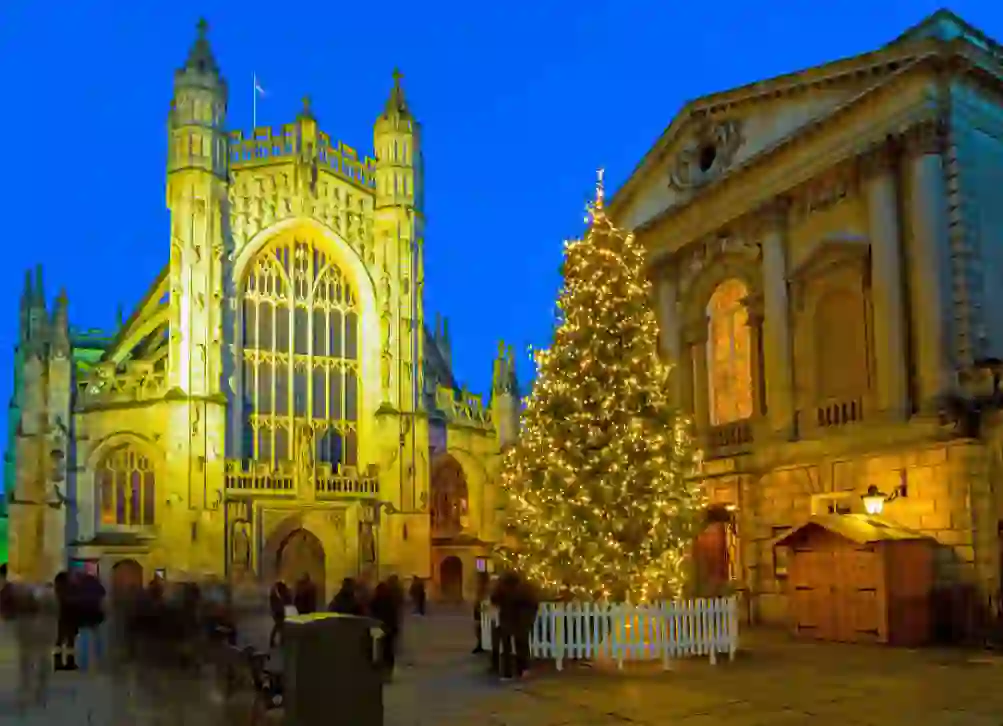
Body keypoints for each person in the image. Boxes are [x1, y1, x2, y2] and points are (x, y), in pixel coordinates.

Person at [368, 581, 401, 679]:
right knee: (382, 652)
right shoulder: (377, 602)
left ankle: (386, 673)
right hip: (381, 629)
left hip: (386, 629)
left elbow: (393, 616)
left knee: (386, 651)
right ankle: (384, 672)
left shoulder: (385, 601)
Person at [268, 581, 292, 649]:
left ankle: (279, 641)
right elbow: (283, 601)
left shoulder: (275, 592)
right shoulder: (276, 593)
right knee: (279, 626)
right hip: (278, 612)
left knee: (280, 626)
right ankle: (277, 641)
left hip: (278, 611)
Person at [472, 571, 490, 654]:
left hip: (483, 609)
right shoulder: (479, 587)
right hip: (478, 608)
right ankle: (480, 643)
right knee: (478, 627)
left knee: (482, 627)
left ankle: (483, 644)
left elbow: (485, 598)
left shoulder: (486, 587)